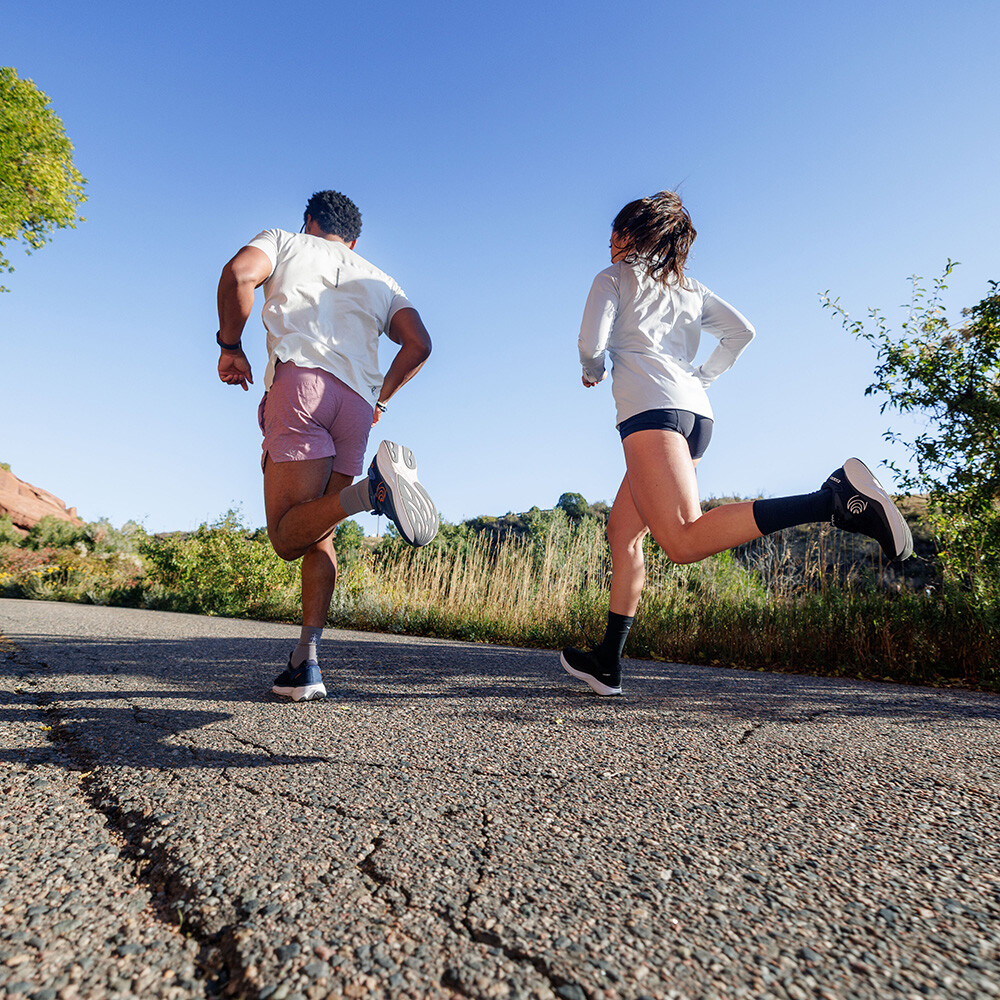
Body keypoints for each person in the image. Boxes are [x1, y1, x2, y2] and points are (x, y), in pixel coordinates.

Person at [560, 190, 912, 697]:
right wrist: (703, 376)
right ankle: (607, 662)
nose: (609, 241)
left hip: (650, 414)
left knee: (681, 540)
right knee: (623, 533)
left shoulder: (612, 278)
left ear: (632, 234)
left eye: (616, 231)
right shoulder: (690, 289)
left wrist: (592, 371)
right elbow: (741, 332)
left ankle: (834, 501)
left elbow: (590, 344)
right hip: (694, 415)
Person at [216, 190, 438, 702]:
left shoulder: (284, 242)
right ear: (354, 239)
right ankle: (306, 662)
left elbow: (238, 275)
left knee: (286, 537)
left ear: (308, 222)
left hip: (303, 388)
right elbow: (420, 344)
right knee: (320, 532)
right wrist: (381, 399)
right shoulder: (381, 279)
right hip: (357, 406)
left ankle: (369, 495)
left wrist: (231, 346)